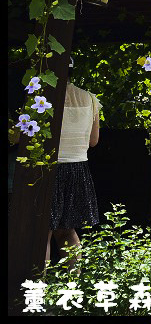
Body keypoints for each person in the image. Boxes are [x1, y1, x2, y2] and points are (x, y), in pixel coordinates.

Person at [48, 82, 102, 264]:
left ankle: (38, 284)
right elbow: (93, 140)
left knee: (42, 233)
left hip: (50, 169)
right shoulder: (90, 97)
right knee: (68, 230)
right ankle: (74, 284)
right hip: (78, 168)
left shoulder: (44, 95)